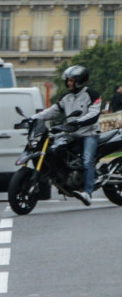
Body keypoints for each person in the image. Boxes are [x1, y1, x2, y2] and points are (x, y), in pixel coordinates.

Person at [36, 64, 101, 205]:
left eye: (72, 80)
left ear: (80, 80)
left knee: (87, 160)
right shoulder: (66, 96)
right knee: (58, 151)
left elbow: (94, 114)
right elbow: (53, 110)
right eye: (68, 80)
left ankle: (88, 192)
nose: (69, 83)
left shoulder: (92, 94)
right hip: (73, 134)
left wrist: (78, 122)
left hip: (89, 134)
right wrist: (35, 117)